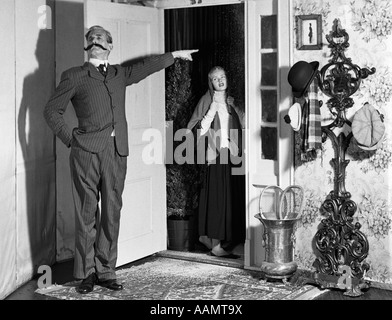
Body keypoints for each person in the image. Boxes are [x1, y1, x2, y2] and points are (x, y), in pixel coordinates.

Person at [43, 25, 198, 294]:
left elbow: (145, 66)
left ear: (110, 46)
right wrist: (72, 139)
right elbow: (51, 111)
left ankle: (106, 271)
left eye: (101, 37)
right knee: (86, 214)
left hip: (117, 152)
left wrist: (174, 54)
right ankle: (85, 274)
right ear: (87, 46)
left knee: (112, 213)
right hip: (86, 153)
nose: (96, 40)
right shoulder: (75, 76)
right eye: (91, 38)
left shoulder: (118, 74)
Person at [187, 66, 245, 258]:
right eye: (215, 78)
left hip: (232, 154)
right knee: (216, 198)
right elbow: (196, 129)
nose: (220, 81)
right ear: (210, 82)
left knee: (229, 197)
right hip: (214, 154)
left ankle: (217, 239)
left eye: (222, 77)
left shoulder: (231, 101)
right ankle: (215, 244)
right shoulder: (207, 100)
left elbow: (239, 125)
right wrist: (212, 109)